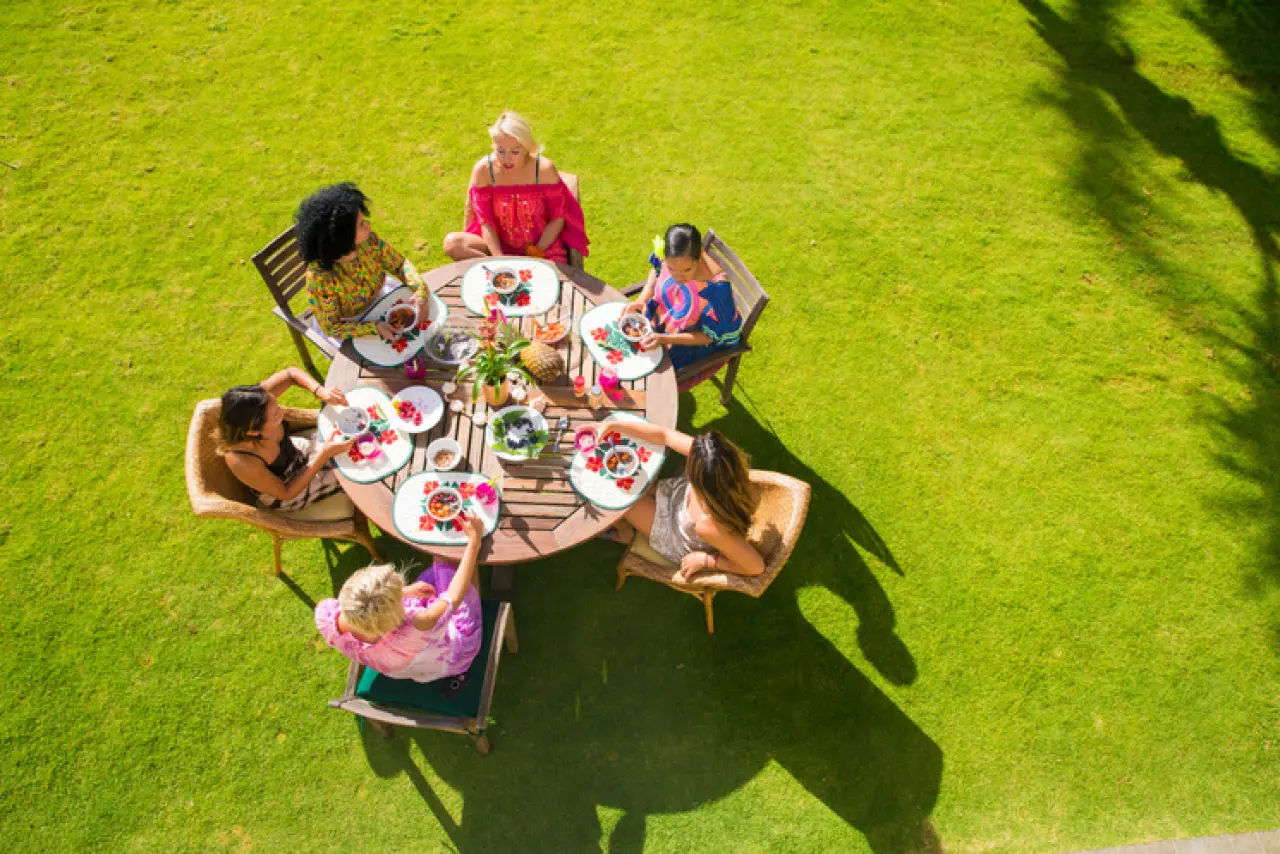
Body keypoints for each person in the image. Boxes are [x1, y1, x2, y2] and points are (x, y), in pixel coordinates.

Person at [314, 515, 486, 682]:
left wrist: (405, 592)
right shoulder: (418, 624)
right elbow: (454, 597)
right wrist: (473, 543)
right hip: (451, 657)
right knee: (445, 555)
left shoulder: (328, 618)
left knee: (438, 573)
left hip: (407, 667)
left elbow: (369, 604)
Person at [596, 422, 763, 584]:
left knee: (622, 499)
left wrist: (708, 561)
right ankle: (632, 517)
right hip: (678, 498)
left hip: (673, 533)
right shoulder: (717, 466)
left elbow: (755, 567)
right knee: (632, 481)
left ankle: (625, 535)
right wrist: (614, 426)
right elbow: (665, 435)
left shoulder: (709, 525)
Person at [442, 110, 589, 264]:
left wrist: (536, 253)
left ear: (527, 148)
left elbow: (557, 218)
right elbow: (486, 222)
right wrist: (499, 259)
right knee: (453, 243)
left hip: (541, 247)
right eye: (500, 151)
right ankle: (492, 268)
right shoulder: (484, 170)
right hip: (496, 246)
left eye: (515, 152)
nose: (507, 158)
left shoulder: (544, 169)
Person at [218, 367, 358, 520]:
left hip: (298, 452)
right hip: (291, 490)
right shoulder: (242, 460)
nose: (282, 412)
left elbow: (291, 374)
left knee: (354, 446)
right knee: (353, 470)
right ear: (253, 432)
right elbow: (286, 492)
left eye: (277, 405)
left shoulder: (257, 401)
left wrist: (320, 391)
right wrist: (324, 455)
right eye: (276, 415)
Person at [297, 182, 429, 343]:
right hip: (350, 328)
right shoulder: (320, 278)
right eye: (361, 224)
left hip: (382, 298)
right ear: (341, 238)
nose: (368, 225)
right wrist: (374, 327)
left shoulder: (369, 241)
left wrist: (420, 289)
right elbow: (332, 327)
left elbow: (399, 264)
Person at [623, 224, 743, 371]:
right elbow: (656, 272)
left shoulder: (716, 292)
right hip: (656, 327)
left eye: (687, 270)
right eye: (671, 268)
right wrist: (642, 298)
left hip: (689, 347)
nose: (677, 277)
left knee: (638, 370)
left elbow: (709, 337)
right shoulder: (677, 254)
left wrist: (663, 339)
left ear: (698, 258)